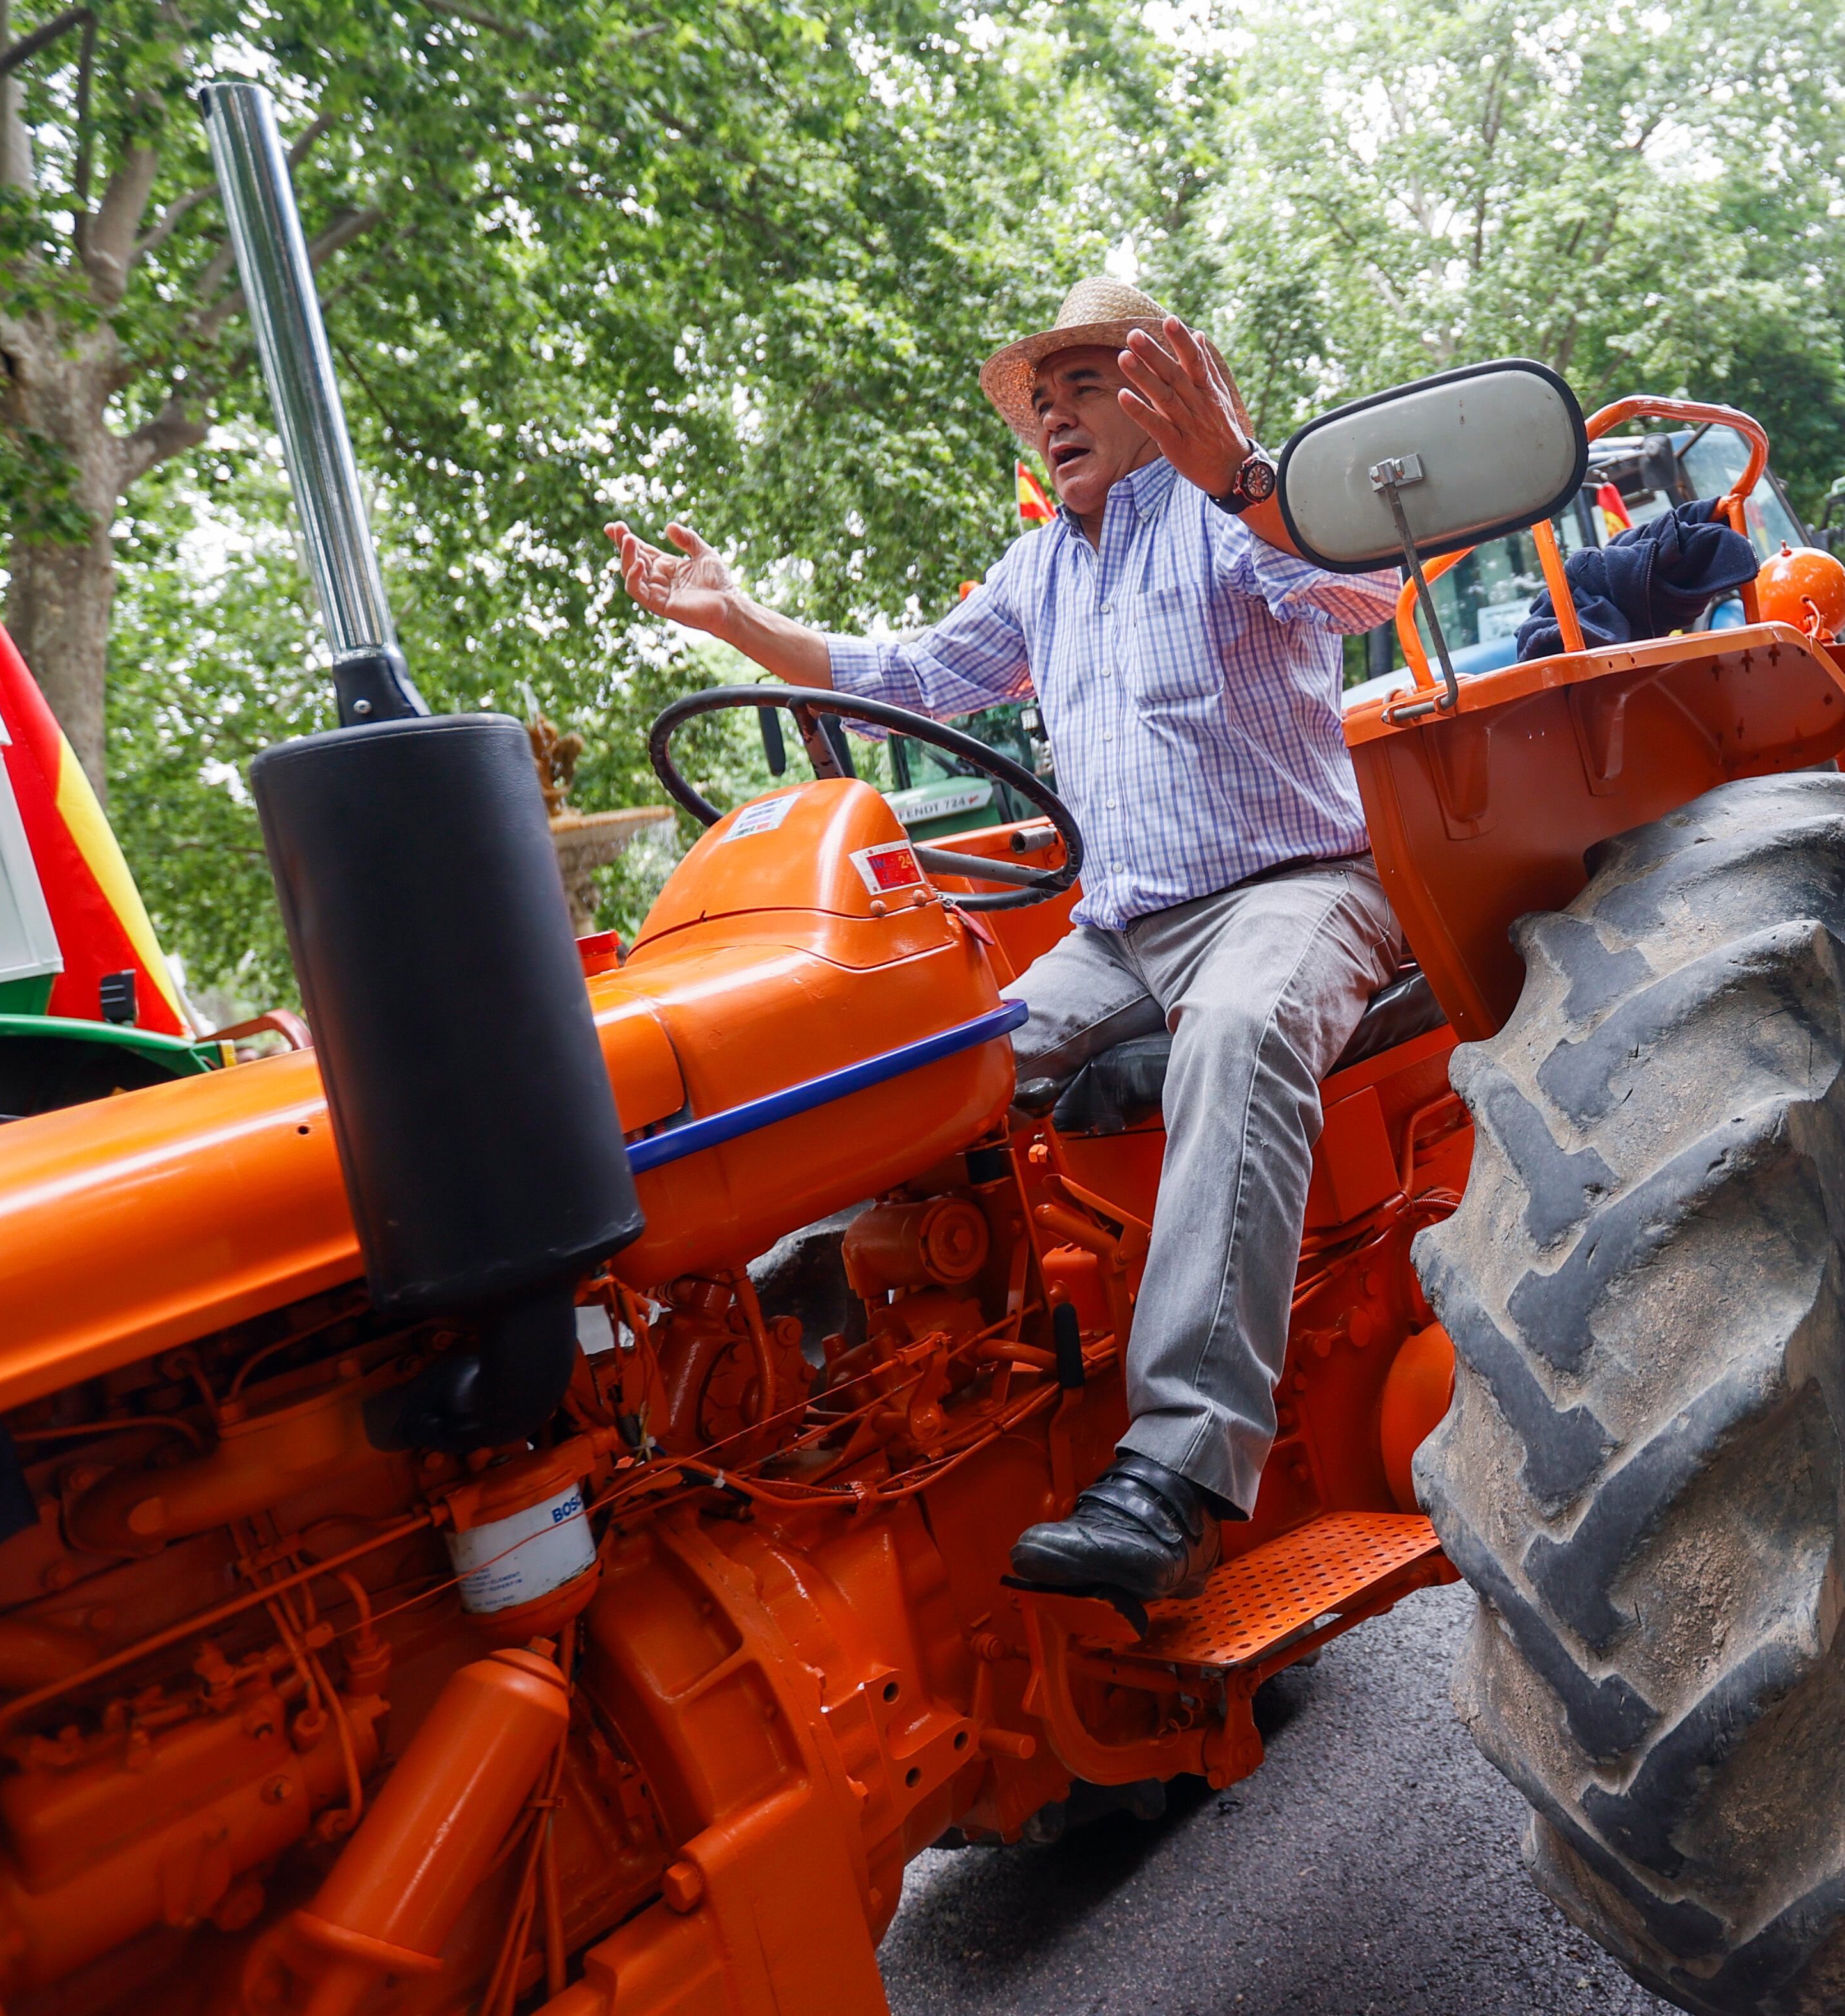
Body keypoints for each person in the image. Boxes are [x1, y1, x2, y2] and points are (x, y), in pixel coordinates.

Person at [603, 279, 1408, 1610]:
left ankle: (1179, 1468)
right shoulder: (1042, 568)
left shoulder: (1237, 515)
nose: (1051, 414)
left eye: (1084, 383)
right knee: (927, 1071)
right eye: (1040, 400)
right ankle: (817, 1418)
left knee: (1247, 1027)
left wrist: (1243, 475)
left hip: (1290, 889)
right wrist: (735, 617)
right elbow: (910, 677)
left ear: (1164, 399)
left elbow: (1360, 591)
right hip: (1118, 933)